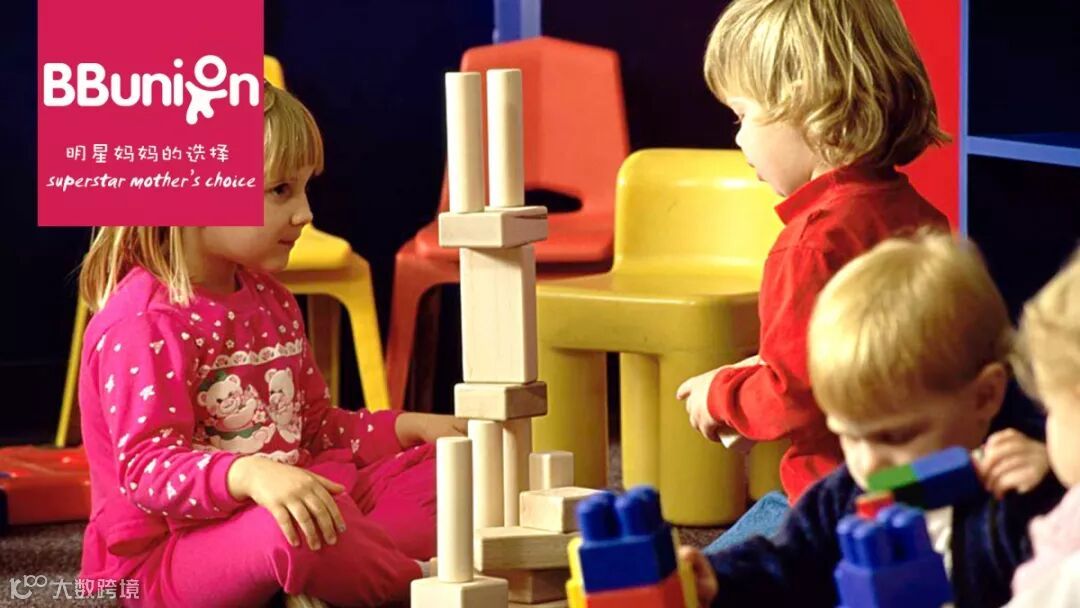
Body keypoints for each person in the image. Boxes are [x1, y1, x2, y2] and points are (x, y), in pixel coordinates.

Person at [75, 82, 463, 607]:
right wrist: (250, 474)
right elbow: (149, 470)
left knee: (452, 468)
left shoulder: (271, 297)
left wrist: (407, 428)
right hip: (166, 562)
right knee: (294, 531)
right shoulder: (143, 323)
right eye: (281, 190)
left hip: (294, 502)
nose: (305, 213)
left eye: (304, 189)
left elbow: (316, 429)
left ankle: (343, 571)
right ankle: (413, 581)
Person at [680, 232, 1064, 607]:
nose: (868, 464)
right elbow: (786, 566)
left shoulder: (1013, 496)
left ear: (984, 397)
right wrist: (719, 579)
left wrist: (1056, 486)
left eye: (894, 437)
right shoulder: (843, 495)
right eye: (848, 436)